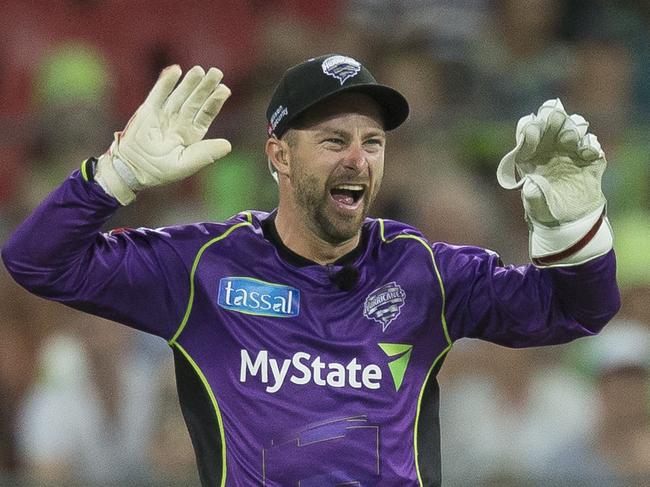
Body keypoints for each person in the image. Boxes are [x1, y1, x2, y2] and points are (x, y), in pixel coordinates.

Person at [2, 54, 620, 486]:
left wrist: (575, 227)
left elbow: (576, 309)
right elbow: (36, 259)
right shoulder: (202, 267)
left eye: (372, 142)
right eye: (332, 140)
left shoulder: (422, 270)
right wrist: (119, 174)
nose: (357, 158)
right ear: (279, 155)